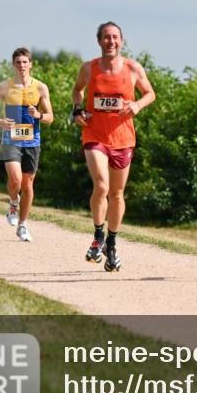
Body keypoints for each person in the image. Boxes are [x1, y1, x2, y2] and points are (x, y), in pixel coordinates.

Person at [71, 21, 155, 273]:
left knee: (117, 194)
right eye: (106, 37)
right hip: (94, 134)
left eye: (115, 37)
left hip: (123, 138)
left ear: (122, 40)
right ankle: (98, 236)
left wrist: (137, 106)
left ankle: (112, 243)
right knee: (102, 185)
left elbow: (150, 93)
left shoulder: (132, 68)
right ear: (99, 41)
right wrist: (77, 110)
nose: (111, 41)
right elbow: (78, 91)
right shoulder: (89, 68)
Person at [0, 47, 54, 242]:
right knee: (15, 179)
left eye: (25, 62)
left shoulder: (41, 88)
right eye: (18, 62)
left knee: (28, 183)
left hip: (32, 140)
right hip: (11, 139)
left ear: (30, 64)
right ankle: (13, 202)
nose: (22, 66)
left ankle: (22, 225)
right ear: (13, 64)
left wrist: (39, 115)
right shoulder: (4, 87)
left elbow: (50, 117)